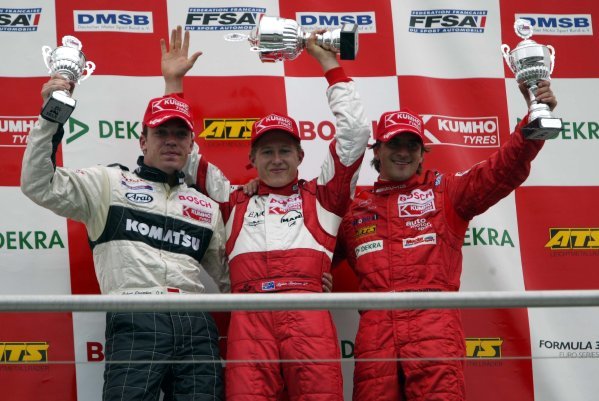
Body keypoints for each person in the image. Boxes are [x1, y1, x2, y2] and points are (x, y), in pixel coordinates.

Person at [162, 26, 371, 400]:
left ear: (300, 157)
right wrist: (173, 84)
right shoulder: (233, 199)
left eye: (285, 151)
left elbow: (355, 133)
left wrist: (329, 64)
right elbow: (186, 157)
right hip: (249, 320)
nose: (276, 159)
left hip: (308, 318)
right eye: (267, 151)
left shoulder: (324, 197)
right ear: (252, 159)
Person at [335, 82, 557, 401]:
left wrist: (534, 121)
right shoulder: (354, 209)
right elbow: (311, 256)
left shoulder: (445, 193)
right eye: (394, 143)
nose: (402, 152)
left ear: (423, 152)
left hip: (434, 332)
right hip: (375, 338)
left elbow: (503, 170)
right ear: (377, 150)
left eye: (412, 145)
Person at [21, 77, 230, 401]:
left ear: (191, 145)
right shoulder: (109, 184)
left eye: (180, 135)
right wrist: (52, 115)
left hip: (196, 322)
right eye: (161, 133)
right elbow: (38, 183)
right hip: (136, 312)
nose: (171, 141)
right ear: (143, 141)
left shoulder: (205, 206)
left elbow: (231, 278)